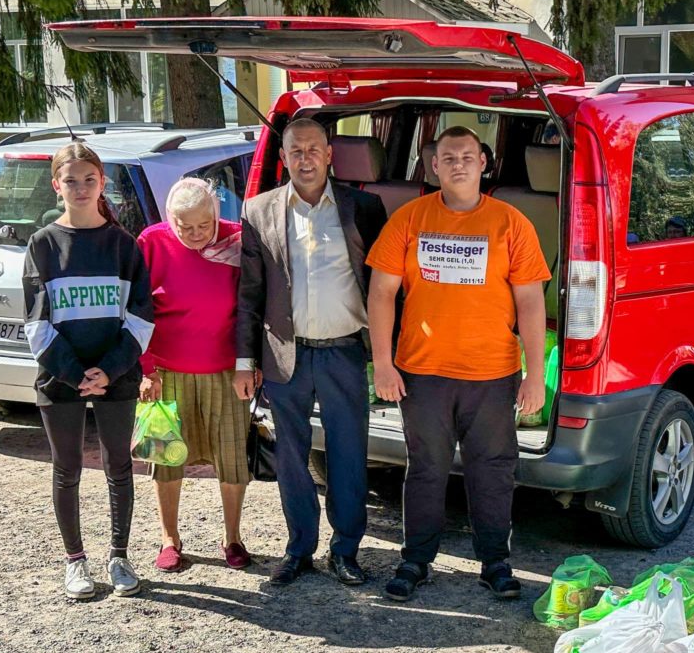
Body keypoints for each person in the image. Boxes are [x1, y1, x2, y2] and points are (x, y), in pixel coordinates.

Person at [366, 125, 551, 602]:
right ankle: (415, 560)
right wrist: (382, 364)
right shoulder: (409, 219)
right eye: (448, 157)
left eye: (467, 156)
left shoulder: (511, 224)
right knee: (425, 467)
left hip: (492, 374)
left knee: (492, 468)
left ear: (484, 162)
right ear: (433, 166)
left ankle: (495, 563)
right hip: (422, 373)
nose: (458, 164)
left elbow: (531, 303)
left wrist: (534, 374)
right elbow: (382, 293)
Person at [234, 118, 387, 586]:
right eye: (295, 151)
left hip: (343, 353)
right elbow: (249, 294)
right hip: (285, 356)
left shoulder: (363, 207)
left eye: (313, 149)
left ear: (329, 155)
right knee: (291, 459)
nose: (305, 158)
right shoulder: (258, 212)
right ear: (283, 158)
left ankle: (346, 551)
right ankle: (299, 548)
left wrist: (387, 355)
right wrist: (245, 361)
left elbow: (385, 287)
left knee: (347, 455)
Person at [22, 143, 154, 600]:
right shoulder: (42, 245)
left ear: (102, 183)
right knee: (68, 468)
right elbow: (36, 323)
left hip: (116, 377)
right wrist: (76, 372)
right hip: (60, 378)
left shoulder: (124, 246)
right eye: (71, 181)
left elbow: (141, 317)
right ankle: (75, 562)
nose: (80, 188)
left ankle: (119, 556)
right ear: (57, 185)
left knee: (120, 465)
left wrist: (109, 370)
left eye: (90, 180)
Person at [137, 177, 257, 574]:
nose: (193, 235)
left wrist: (248, 364)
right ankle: (169, 538)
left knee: (232, 458)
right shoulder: (151, 242)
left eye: (202, 226)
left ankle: (233, 536)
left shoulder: (237, 241)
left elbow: (251, 308)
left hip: (226, 370)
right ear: (168, 217)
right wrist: (146, 369)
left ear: (216, 215)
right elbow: (136, 309)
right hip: (165, 372)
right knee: (164, 459)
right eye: (182, 225)